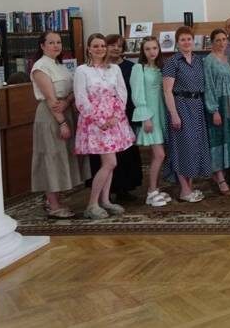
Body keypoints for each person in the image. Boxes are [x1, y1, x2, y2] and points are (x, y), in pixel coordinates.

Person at [74, 33, 136, 219]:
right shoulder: (82, 71)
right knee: (110, 163)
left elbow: (122, 93)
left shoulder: (114, 69)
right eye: (95, 46)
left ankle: (105, 200)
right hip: (95, 124)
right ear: (89, 49)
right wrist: (100, 120)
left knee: (109, 164)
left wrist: (116, 116)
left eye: (102, 45)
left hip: (114, 122)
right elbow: (81, 99)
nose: (100, 49)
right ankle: (92, 204)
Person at [30, 31, 88, 218]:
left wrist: (68, 102)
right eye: (51, 42)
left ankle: (55, 199)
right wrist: (62, 122)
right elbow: (51, 99)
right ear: (42, 46)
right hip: (51, 116)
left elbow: (71, 92)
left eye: (58, 42)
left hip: (66, 111)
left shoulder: (60, 66)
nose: (56, 45)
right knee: (51, 157)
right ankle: (53, 205)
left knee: (62, 156)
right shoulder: (40, 67)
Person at [161, 26, 210, 203]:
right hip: (180, 106)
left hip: (197, 106)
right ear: (177, 42)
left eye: (189, 39)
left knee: (194, 147)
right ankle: (184, 190)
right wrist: (174, 114)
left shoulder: (198, 60)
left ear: (193, 40)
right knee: (182, 148)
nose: (186, 42)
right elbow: (167, 91)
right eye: (182, 39)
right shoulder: (172, 62)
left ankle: (189, 187)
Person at [97, 34, 142, 203]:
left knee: (125, 154)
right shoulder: (97, 68)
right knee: (106, 156)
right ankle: (106, 191)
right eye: (112, 45)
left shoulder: (131, 67)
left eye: (120, 46)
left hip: (125, 114)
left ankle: (124, 189)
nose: (116, 48)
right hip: (103, 117)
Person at [130, 36, 172, 207]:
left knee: (159, 155)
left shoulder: (161, 68)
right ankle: (151, 192)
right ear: (143, 51)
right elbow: (137, 94)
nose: (152, 52)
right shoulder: (139, 68)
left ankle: (155, 189)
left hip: (162, 114)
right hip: (150, 116)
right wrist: (145, 118)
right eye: (147, 49)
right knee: (159, 155)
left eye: (154, 48)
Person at [203, 29, 230, 196]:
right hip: (217, 104)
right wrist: (214, 110)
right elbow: (208, 86)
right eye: (218, 40)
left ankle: (227, 173)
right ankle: (219, 177)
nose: (221, 43)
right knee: (217, 140)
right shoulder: (208, 61)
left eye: (224, 39)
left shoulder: (229, 59)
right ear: (212, 42)